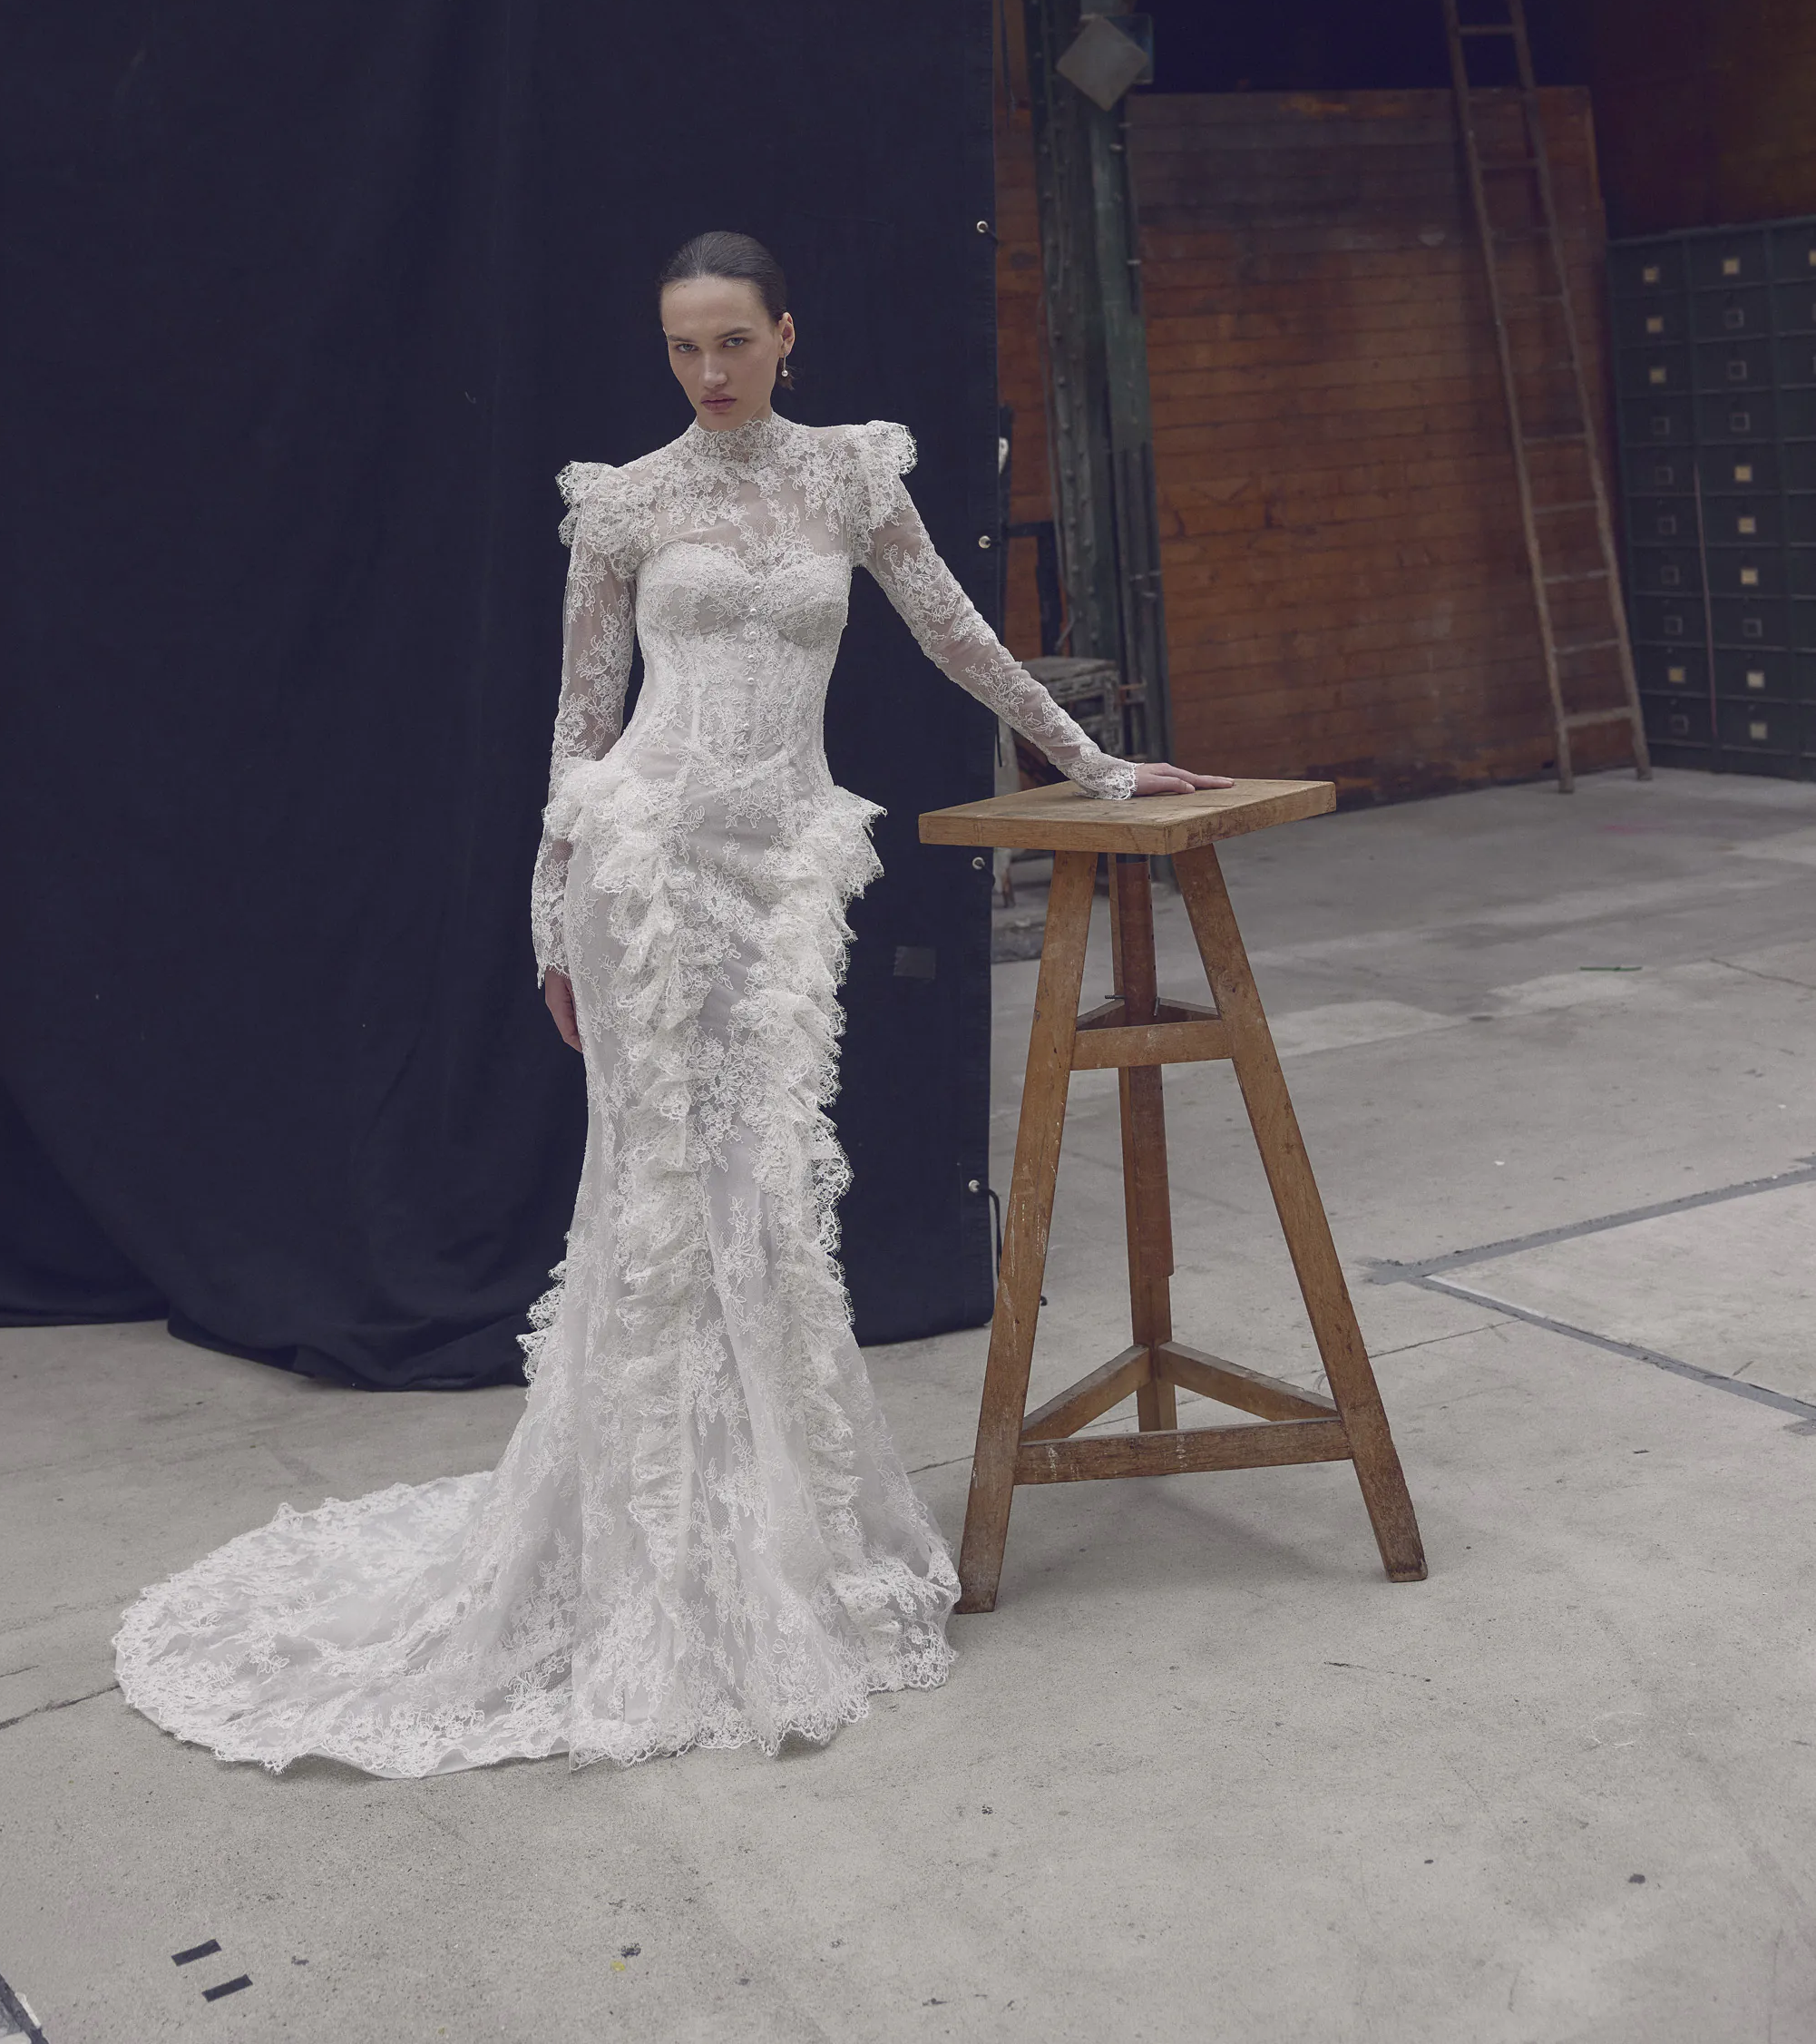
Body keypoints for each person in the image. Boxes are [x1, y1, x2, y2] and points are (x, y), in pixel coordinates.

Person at [113, 233, 1230, 1775]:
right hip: (640, 866)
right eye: (683, 348)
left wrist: (1097, 767)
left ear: (787, 335)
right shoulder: (626, 503)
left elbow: (957, 633)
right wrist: (546, 919)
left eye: (733, 342)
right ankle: (647, 1554)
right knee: (654, 1197)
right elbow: (580, 722)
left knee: (767, 1187)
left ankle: (779, 1535)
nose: (709, 372)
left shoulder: (850, 477)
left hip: (780, 873)